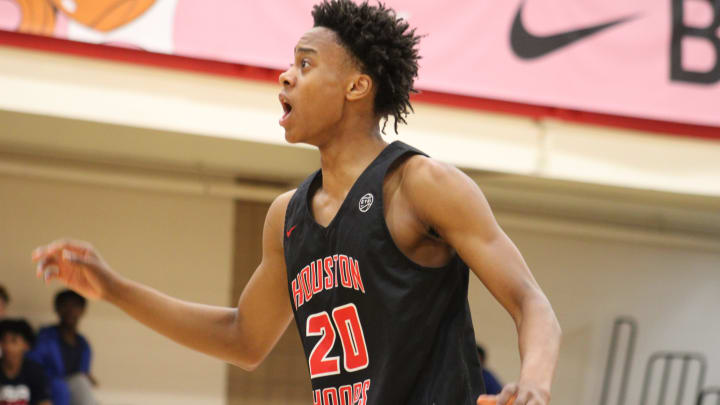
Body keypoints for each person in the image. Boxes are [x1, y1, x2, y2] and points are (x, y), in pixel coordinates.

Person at [31, 1, 562, 404]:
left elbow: (531, 303)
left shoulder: (419, 185)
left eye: (305, 65)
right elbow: (243, 338)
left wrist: (535, 387)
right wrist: (115, 289)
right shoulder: (287, 216)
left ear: (357, 87)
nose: (285, 76)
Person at [28, 291, 96, 405]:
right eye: (64, 305)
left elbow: (83, 372)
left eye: (75, 305)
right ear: (56, 308)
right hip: (50, 388)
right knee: (66, 387)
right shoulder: (45, 337)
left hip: (73, 390)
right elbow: (33, 366)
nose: (70, 310)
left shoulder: (83, 344)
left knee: (82, 385)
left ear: (83, 310)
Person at [0, 318, 52, 405]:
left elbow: (44, 401)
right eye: (3, 341)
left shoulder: (35, 370)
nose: (7, 346)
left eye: (14, 341)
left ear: (27, 345)